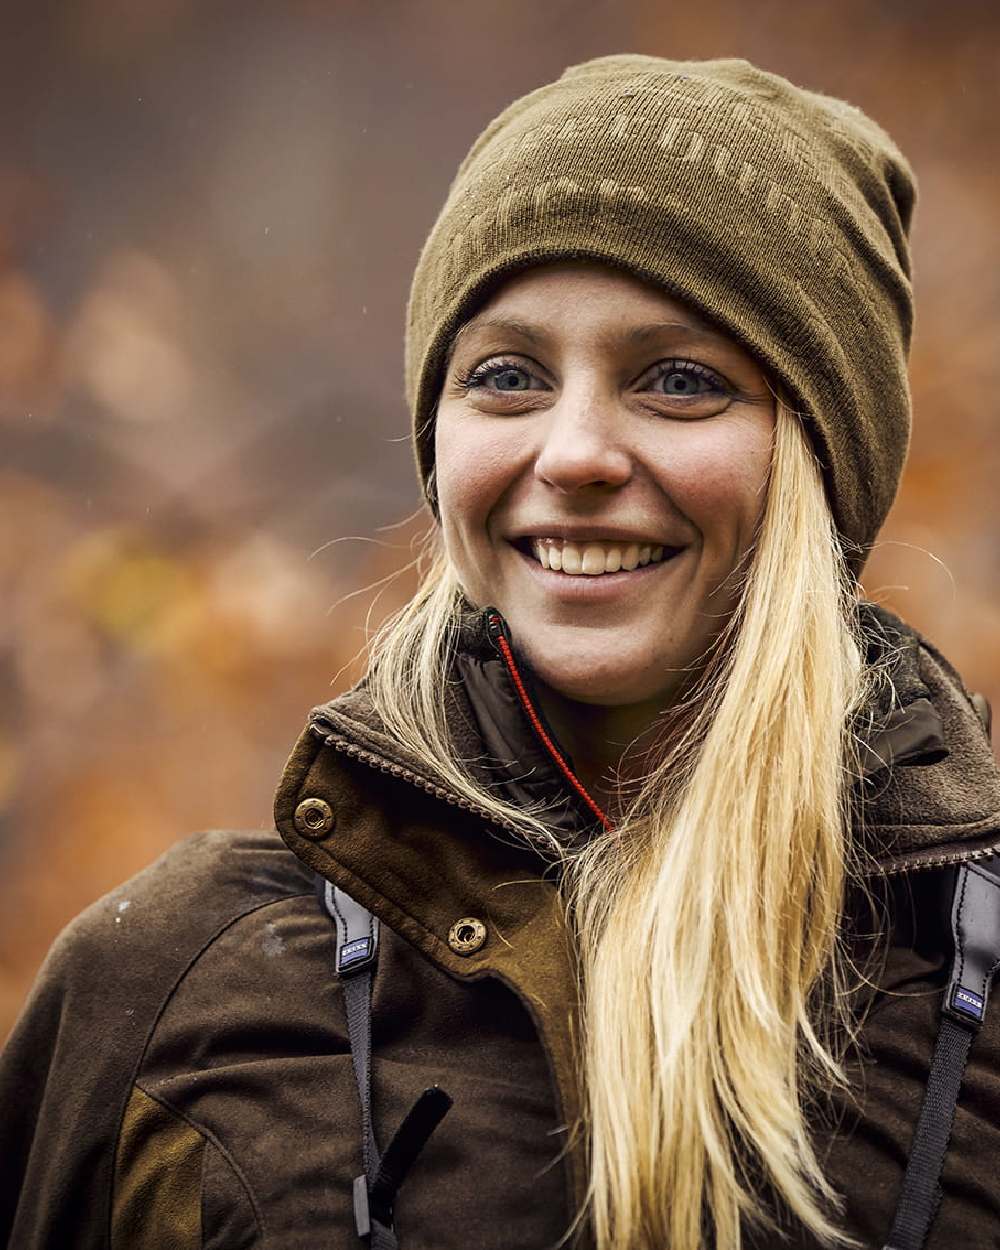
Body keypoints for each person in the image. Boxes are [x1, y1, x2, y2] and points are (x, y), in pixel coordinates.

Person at [2, 52, 1000, 1250]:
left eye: (678, 379)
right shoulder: (174, 985)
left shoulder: (971, 992)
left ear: (819, 462)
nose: (573, 449)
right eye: (507, 375)